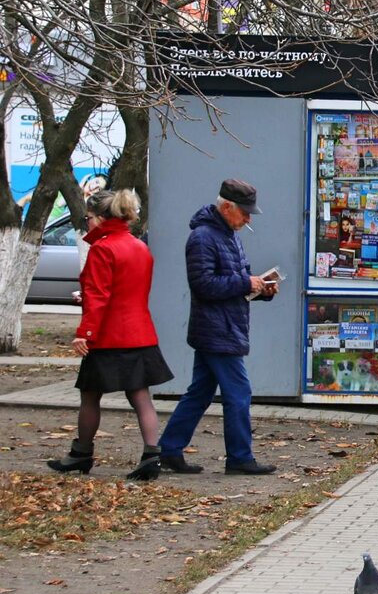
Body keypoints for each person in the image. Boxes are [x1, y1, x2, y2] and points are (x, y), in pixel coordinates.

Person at [48, 189, 174, 481]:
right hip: (140, 332)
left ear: (103, 219)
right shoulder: (139, 246)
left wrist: (85, 333)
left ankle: (81, 454)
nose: (88, 223)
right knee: (141, 396)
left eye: (89, 218)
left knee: (90, 396)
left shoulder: (103, 249)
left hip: (108, 336)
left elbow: (99, 296)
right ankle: (151, 455)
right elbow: (126, 291)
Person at [157, 179, 280, 475]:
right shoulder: (202, 237)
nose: (248, 219)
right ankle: (239, 457)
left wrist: (260, 289)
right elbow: (203, 284)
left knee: (200, 392)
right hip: (217, 330)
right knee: (239, 392)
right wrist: (244, 282)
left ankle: (169, 449)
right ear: (226, 207)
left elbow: (235, 281)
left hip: (223, 325)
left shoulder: (228, 235)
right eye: (245, 212)